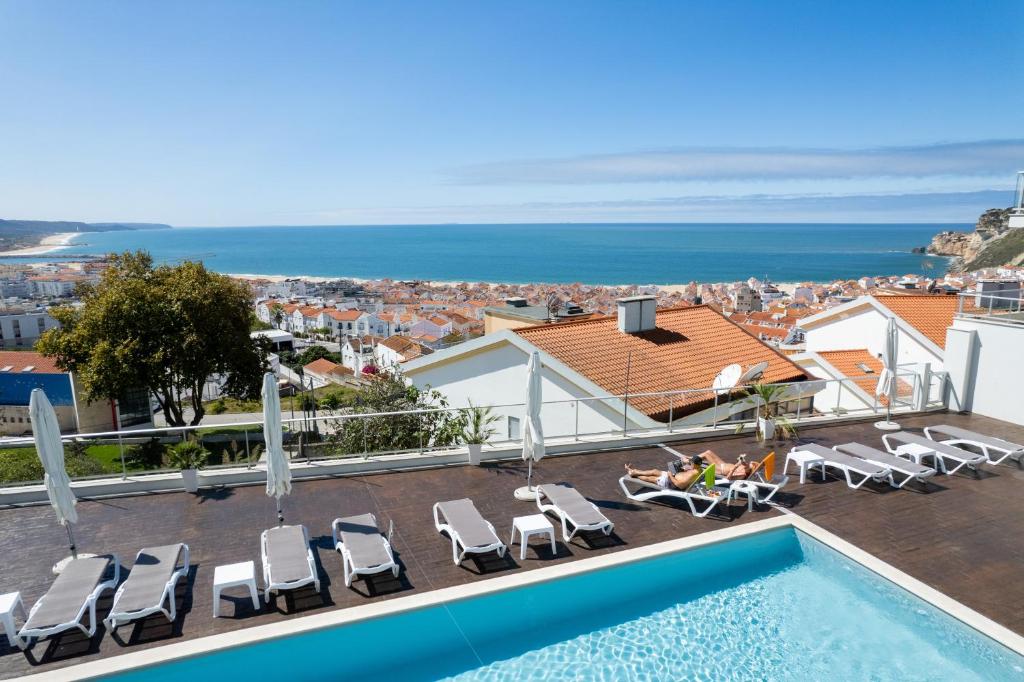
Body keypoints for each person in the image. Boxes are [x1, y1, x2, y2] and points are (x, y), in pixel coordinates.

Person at [624, 450, 758, 490]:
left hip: (672, 482)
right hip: (676, 476)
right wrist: (742, 461)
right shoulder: (697, 470)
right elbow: (691, 472)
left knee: (650, 478)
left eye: (752, 465)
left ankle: (634, 474)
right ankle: (634, 471)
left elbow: (678, 484)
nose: (749, 464)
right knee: (655, 470)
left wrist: (672, 474)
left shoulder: (741, 474)